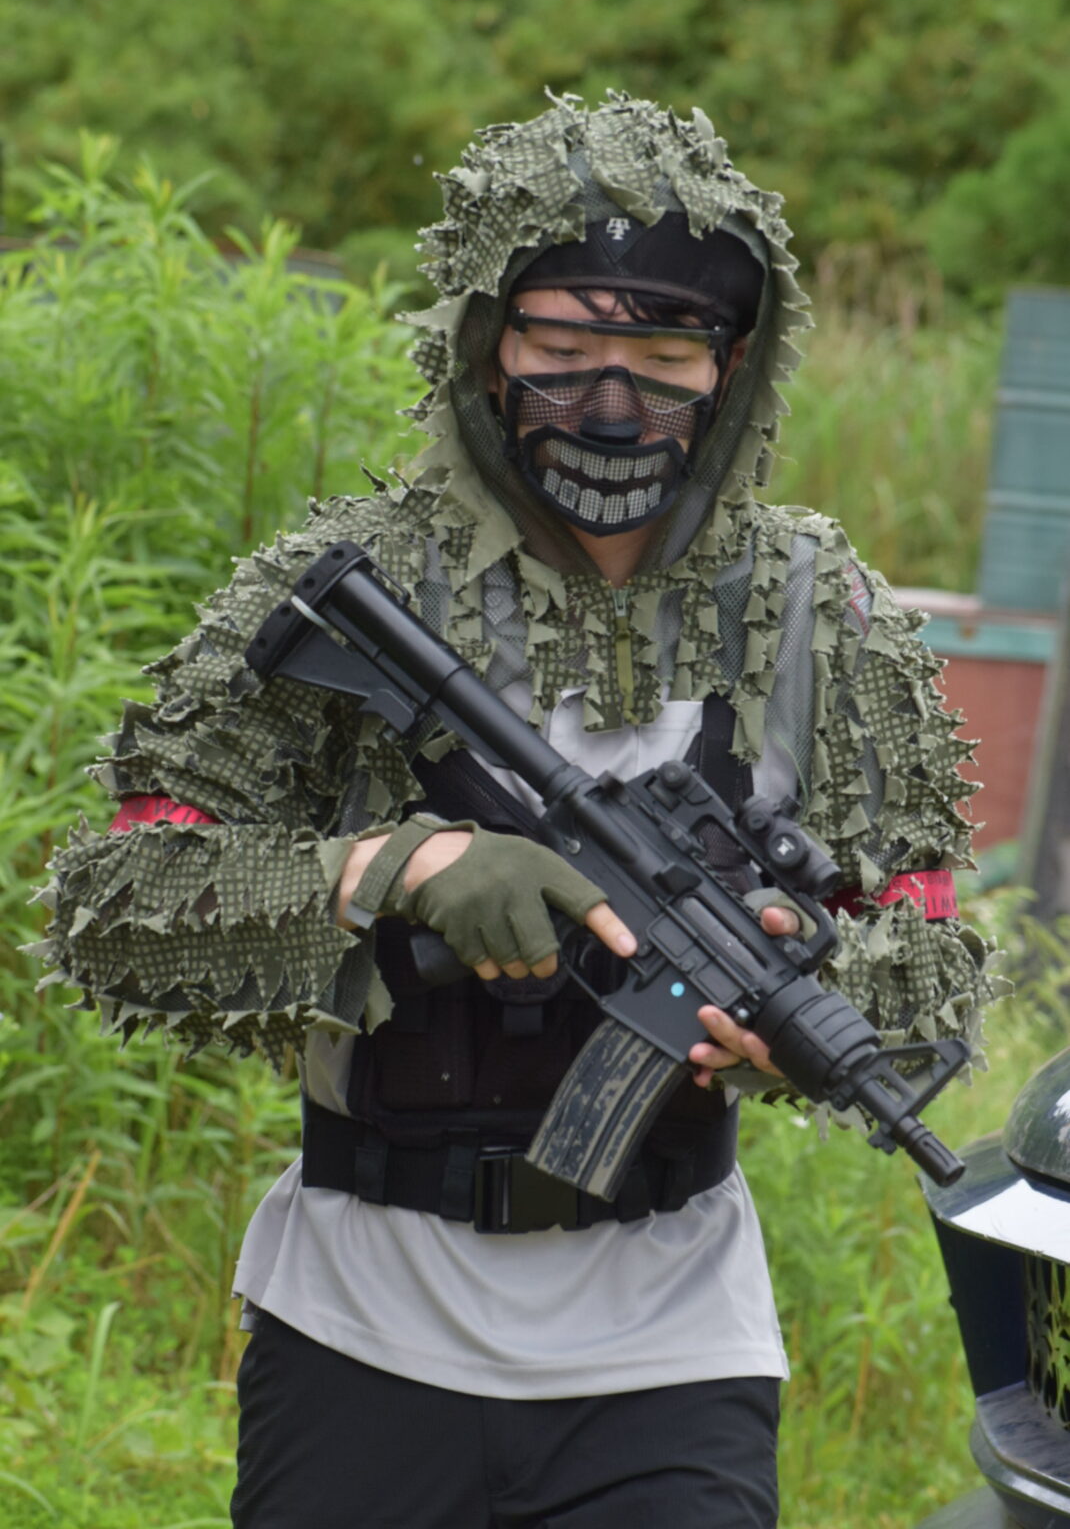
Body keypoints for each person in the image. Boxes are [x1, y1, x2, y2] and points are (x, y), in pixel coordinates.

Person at [37, 93, 998, 1528]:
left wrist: (806, 989)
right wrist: (395, 866)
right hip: (358, 1322)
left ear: (732, 366)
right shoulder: (346, 581)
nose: (610, 404)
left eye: (662, 358)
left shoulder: (811, 607)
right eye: (560, 350)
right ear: (485, 339)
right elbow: (114, 908)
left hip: (675, 1341)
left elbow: (930, 962)